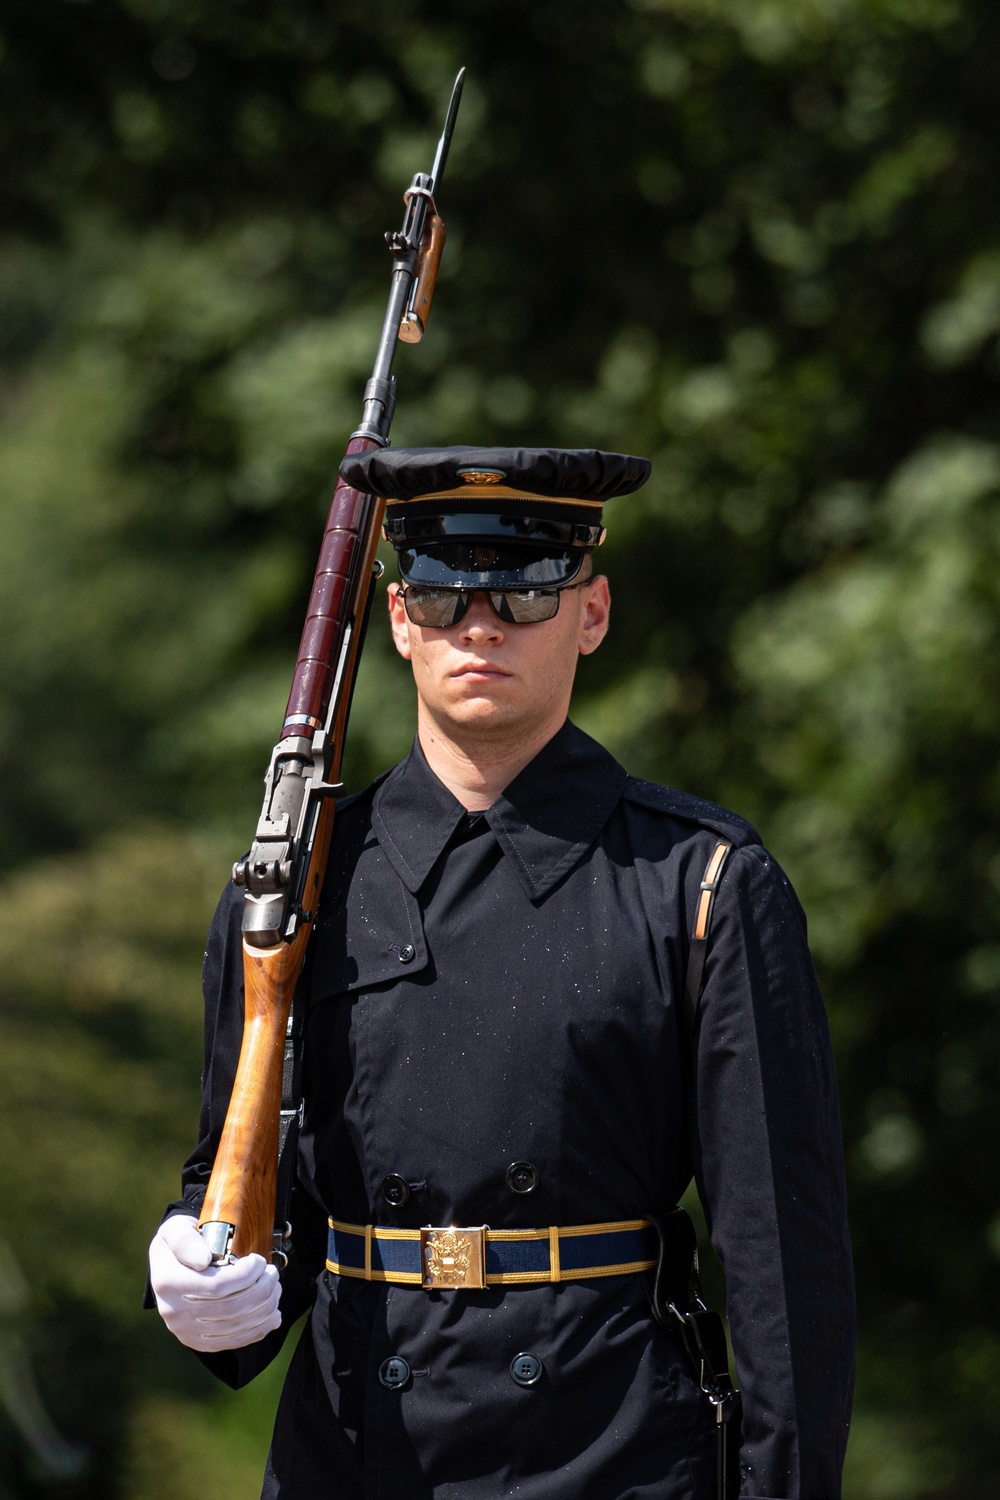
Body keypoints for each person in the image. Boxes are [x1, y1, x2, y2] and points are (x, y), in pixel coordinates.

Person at [148, 447, 855, 1500]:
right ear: (397, 621)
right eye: (440, 590)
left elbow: (781, 1264)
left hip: (608, 1447)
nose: (480, 625)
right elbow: (252, 1186)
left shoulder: (699, 883)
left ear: (593, 612)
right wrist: (208, 1281)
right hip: (355, 1450)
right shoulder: (301, 888)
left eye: (527, 589)